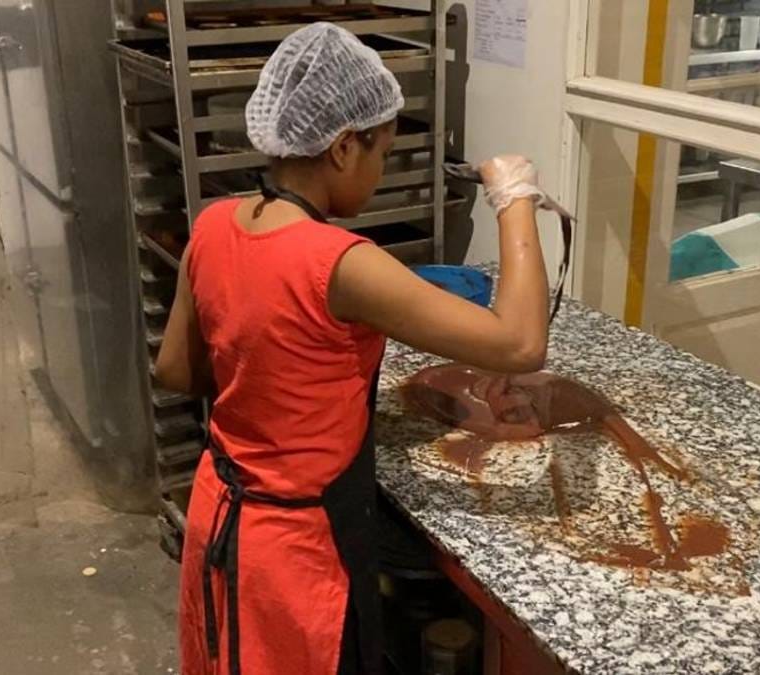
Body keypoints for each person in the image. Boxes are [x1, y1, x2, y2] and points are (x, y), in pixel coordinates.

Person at [155, 22, 550, 675]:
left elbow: (177, 368)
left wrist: (266, 372)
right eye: (382, 155)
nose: (379, 172)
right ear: (342, 148)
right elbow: (520, 340)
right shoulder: (340, 262)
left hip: (219, 516)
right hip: (296, 551)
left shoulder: (215, 224)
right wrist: (514, 199)